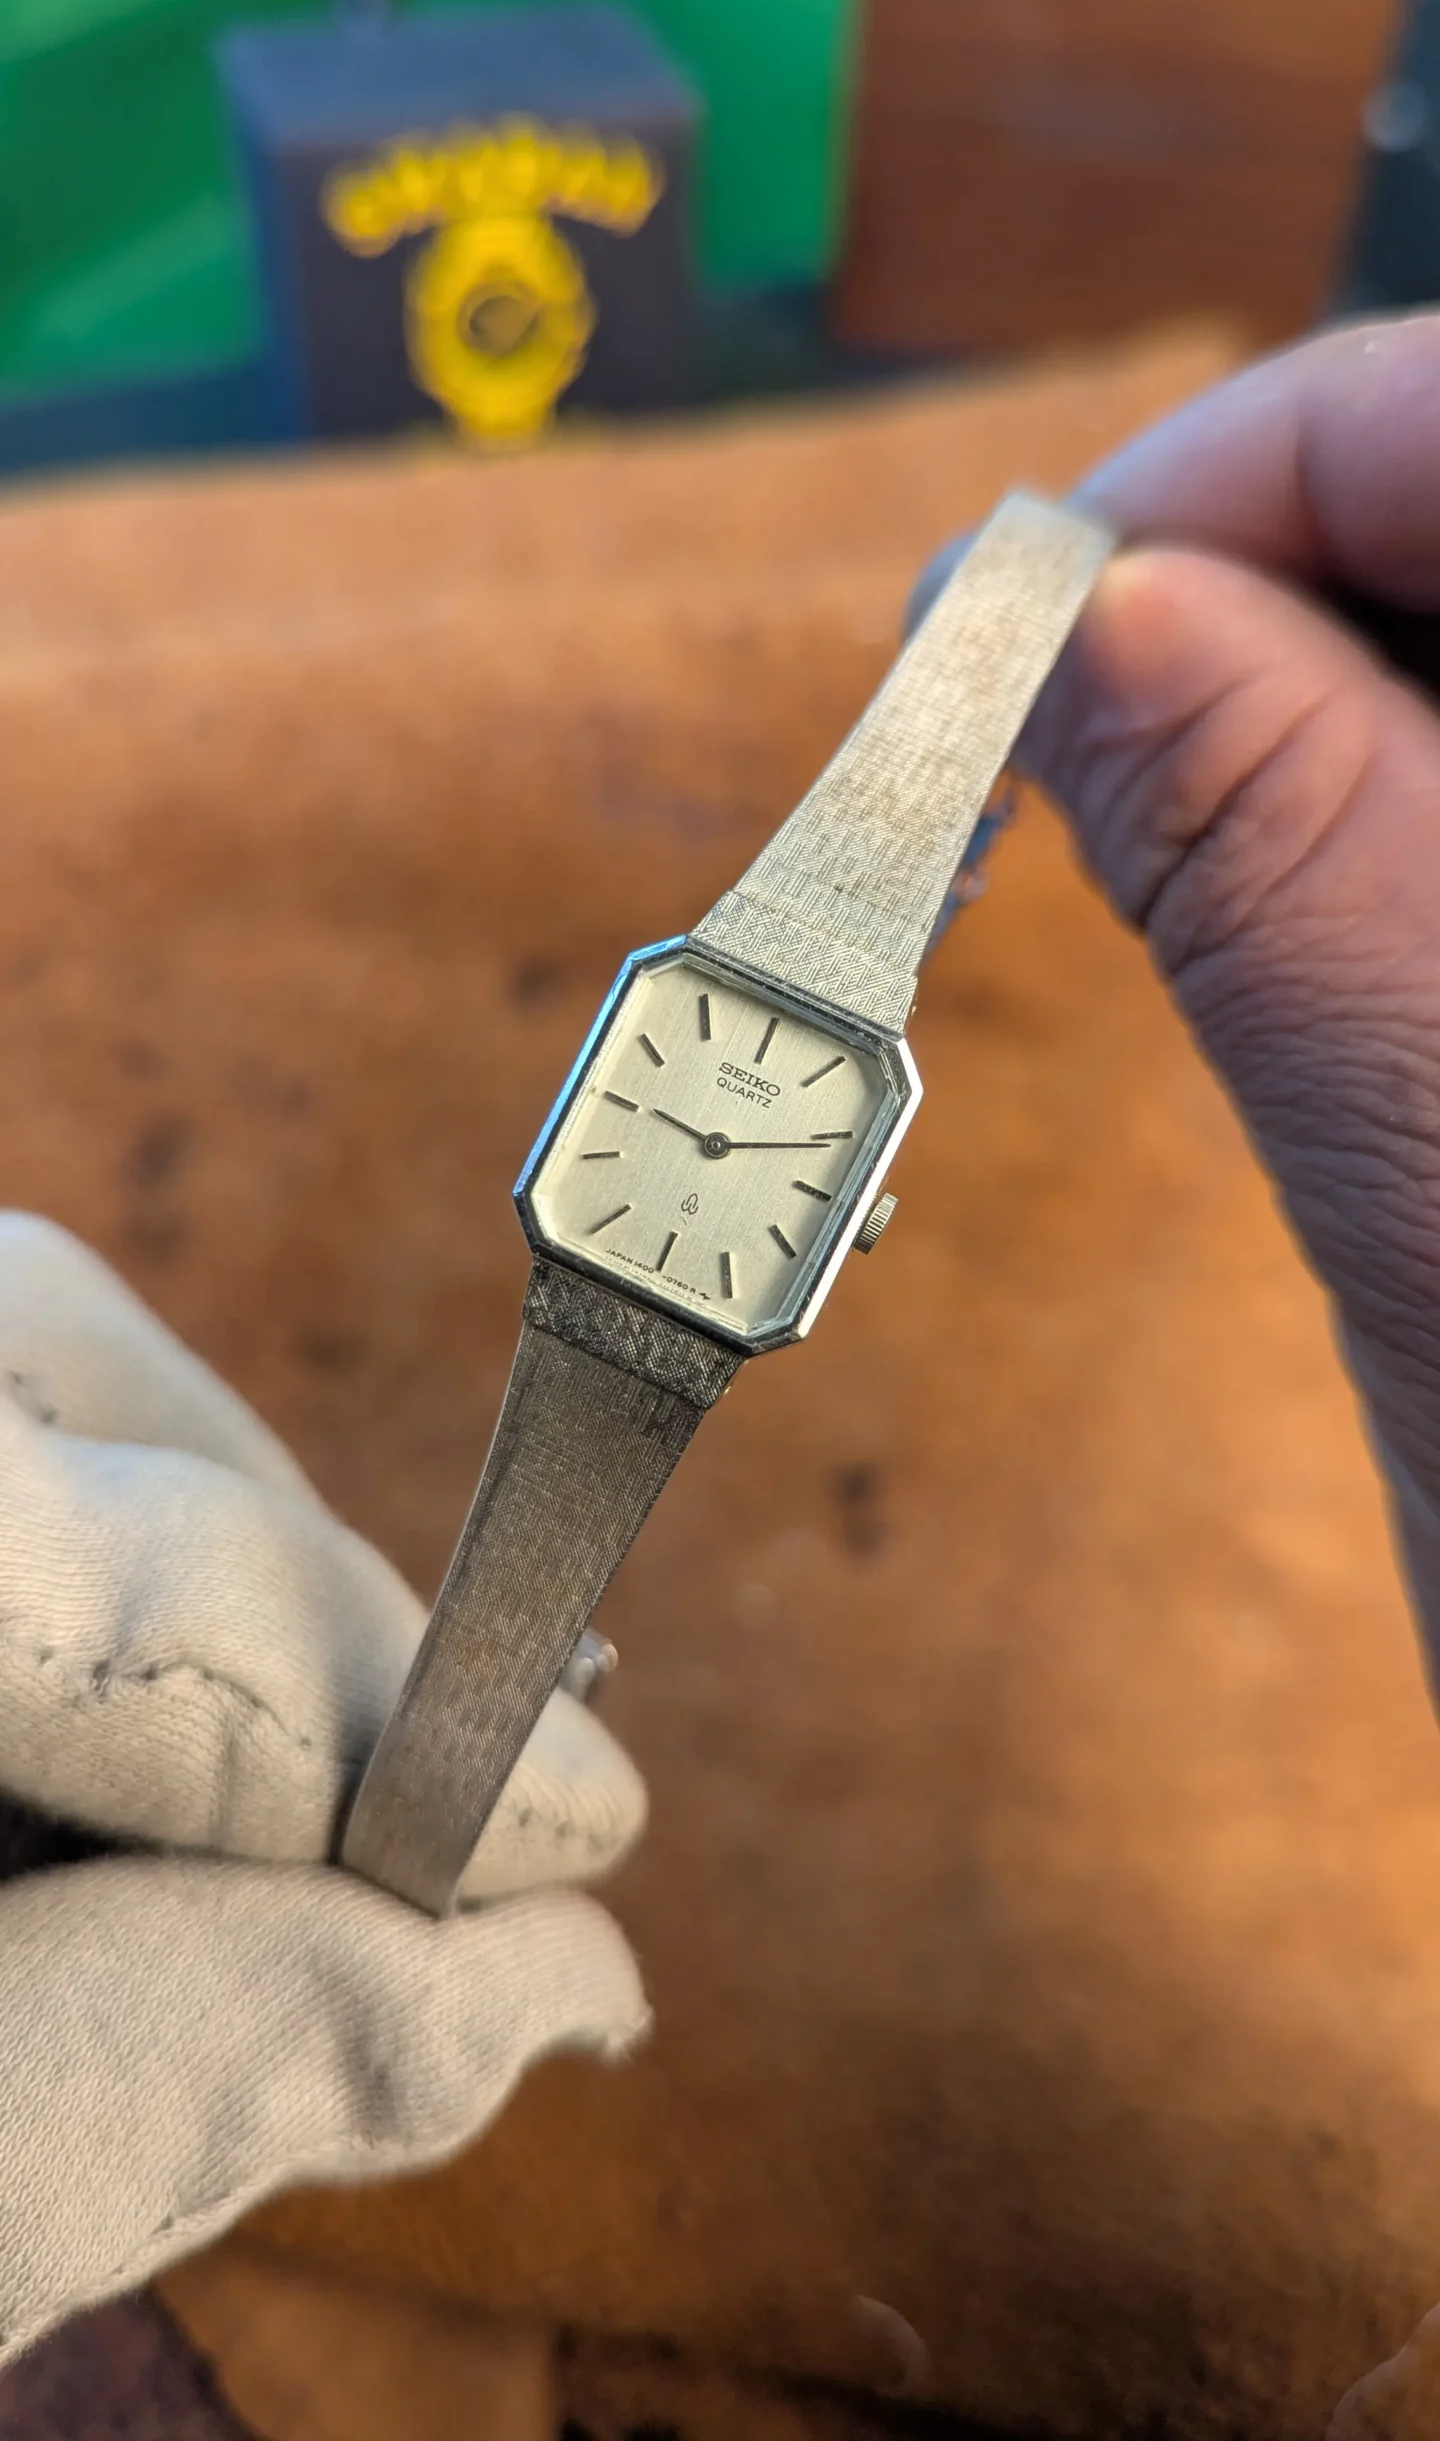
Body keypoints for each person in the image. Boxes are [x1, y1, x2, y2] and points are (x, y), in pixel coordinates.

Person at [2, 311, 1440, 2370]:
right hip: (608, 1272)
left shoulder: (904, 977)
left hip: (670, 1314)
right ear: (628, 1042)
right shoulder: (695, 1039)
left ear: (854, 1198)